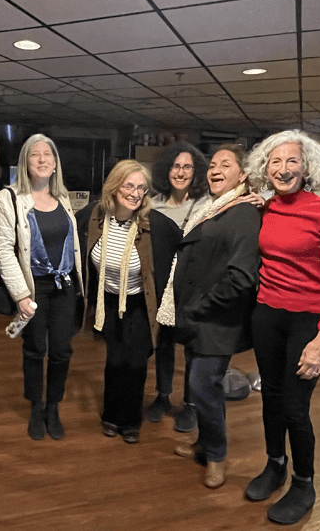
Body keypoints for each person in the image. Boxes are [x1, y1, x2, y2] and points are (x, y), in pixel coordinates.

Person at [244, 130, 320, 525]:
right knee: (270, 398)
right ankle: (275, 464)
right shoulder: (266, 208)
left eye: (292, 161)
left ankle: (304, 483)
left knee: (294, 406)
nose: (283, 168)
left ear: (307, 168)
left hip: (309, 322)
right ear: (265, 168)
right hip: (267, 315)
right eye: (276, 161)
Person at [156, 144, 260, 488]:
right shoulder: (215, 208)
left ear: (242, 175)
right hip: (198, 319)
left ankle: (217, 455)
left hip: (216, 320)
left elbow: (241, 277)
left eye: (225, 165)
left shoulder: (243, 213)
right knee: (201, 387)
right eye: (213, 164)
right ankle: (204, 443)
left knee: (203, 386)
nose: (215, 169)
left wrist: (199, 307)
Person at [77, 160, 179, 444]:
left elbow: (184, 248)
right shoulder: (93, 217)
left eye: (141, 188)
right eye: (129, 186)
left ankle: (131, 420)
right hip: (108, 301)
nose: (135, 193)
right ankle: (111, 415)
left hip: (140, 304)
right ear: (114, 187)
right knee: (114, 359)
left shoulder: (156, 224)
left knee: (135, 363)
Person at [0, 134, 83, 441]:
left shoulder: (63, 198)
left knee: (61, 350)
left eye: (48, 154)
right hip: (33, 288)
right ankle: (36, 406)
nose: (42, 159)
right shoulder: (9, 198)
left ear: (55, 163)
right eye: (35, 154)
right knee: (34, 349)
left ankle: (53, 407)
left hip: (64, 286)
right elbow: (4, 250)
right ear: (25, 161)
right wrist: (21, 295)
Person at [147, 141, 211, 432]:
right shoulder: (152, 204)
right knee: (164, 343)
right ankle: (163, 396)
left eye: (187, 167)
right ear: (167, 169)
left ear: (196, 172)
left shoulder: (207, 205)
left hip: (193, 286)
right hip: (162, 285)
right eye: (176, 166)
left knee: (192, 348)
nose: (181, 172)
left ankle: (190, 404)